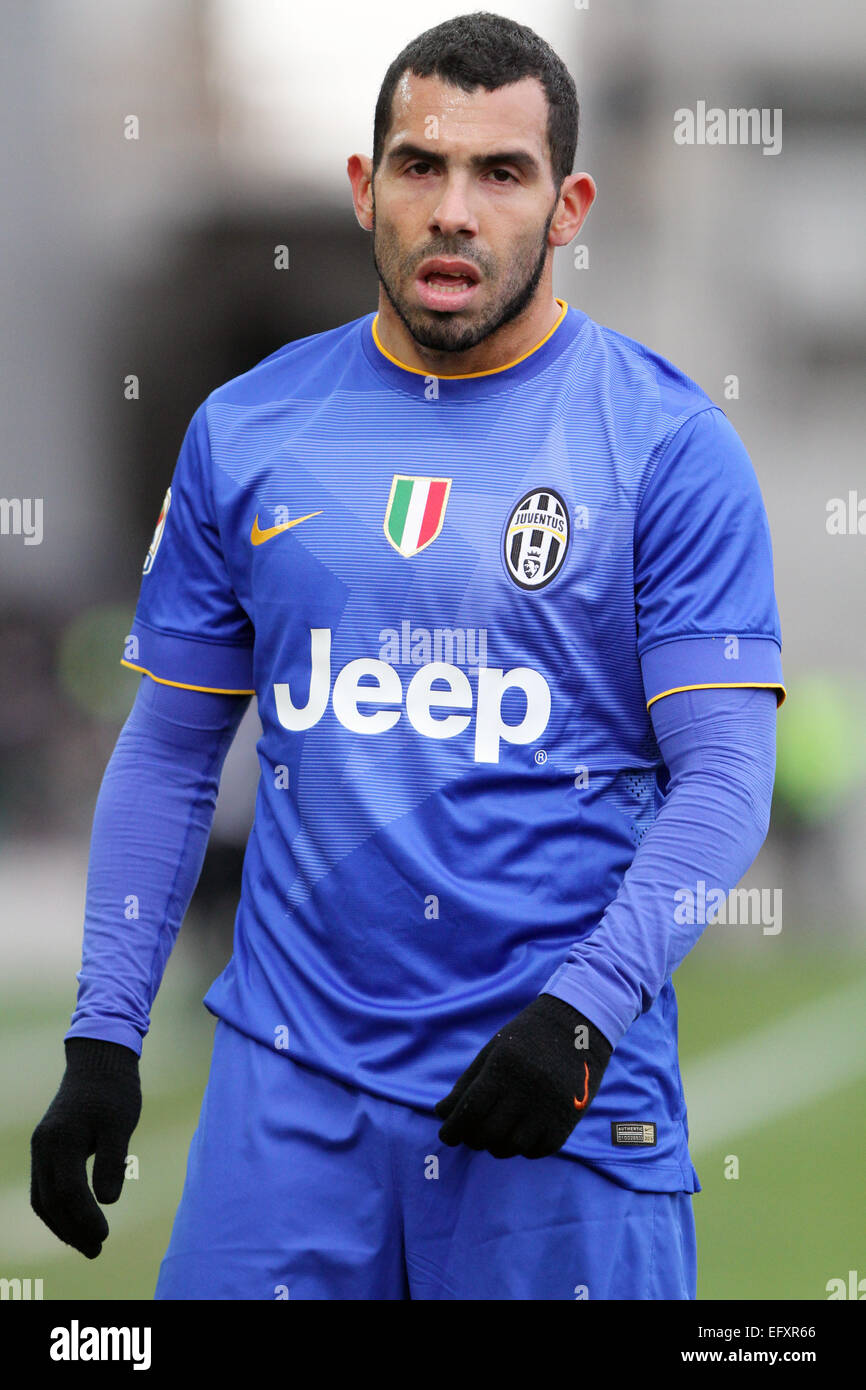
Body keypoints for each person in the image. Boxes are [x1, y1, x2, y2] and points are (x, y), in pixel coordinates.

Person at [30, 11, 784, 1300]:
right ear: (363, 188)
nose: (454, 208)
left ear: (569, 206)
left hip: (557, 1098)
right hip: (288, 1093)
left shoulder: (666, 445)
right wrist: (104, 1034)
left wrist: (580, 1016)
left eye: (503, 173)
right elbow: (168, 748)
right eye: (421, 166)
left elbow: (723, 781)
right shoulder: (247, 428)